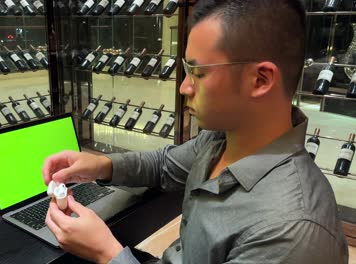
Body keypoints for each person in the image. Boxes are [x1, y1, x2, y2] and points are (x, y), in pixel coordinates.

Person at [43, 0, 349, 263]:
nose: (184, 86)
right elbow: (164, 164)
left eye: (198, 73)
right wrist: (101, 166)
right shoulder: (224, 138)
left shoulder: (291, 234)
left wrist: (107, 253)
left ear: (260, 80)